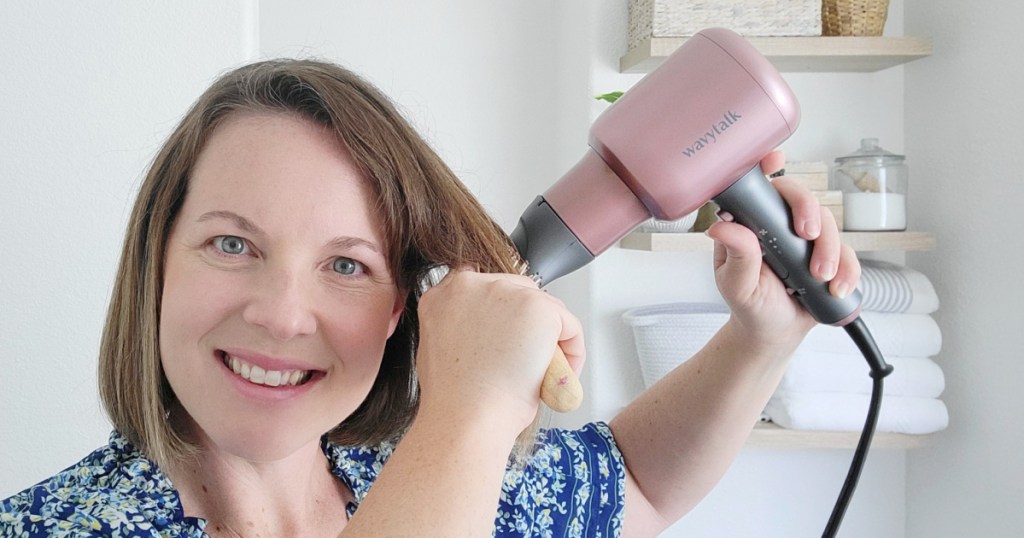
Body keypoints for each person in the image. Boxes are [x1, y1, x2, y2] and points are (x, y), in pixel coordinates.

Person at [0, 59, 858, 537]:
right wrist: (472, 409)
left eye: (347, 266)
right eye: (233, 245)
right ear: (156, 264)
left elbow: (635, 485)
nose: (281, 315)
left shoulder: (426, 474)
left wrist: (761, 339)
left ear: (403, 308)